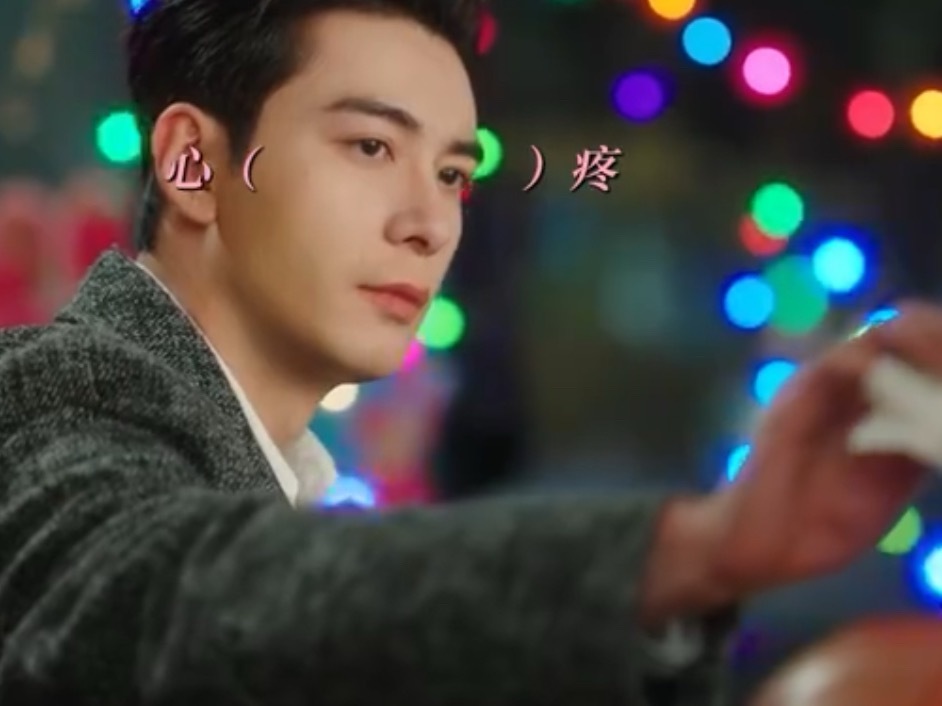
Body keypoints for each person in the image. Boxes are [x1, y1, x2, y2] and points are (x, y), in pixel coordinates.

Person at [0, 0, 939, 703]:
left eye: (451, 172)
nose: (430, 223)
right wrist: (700, 547)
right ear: (192, 164)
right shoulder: (46, 397)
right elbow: (185, 606)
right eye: (371, 148)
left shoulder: (288, 482)